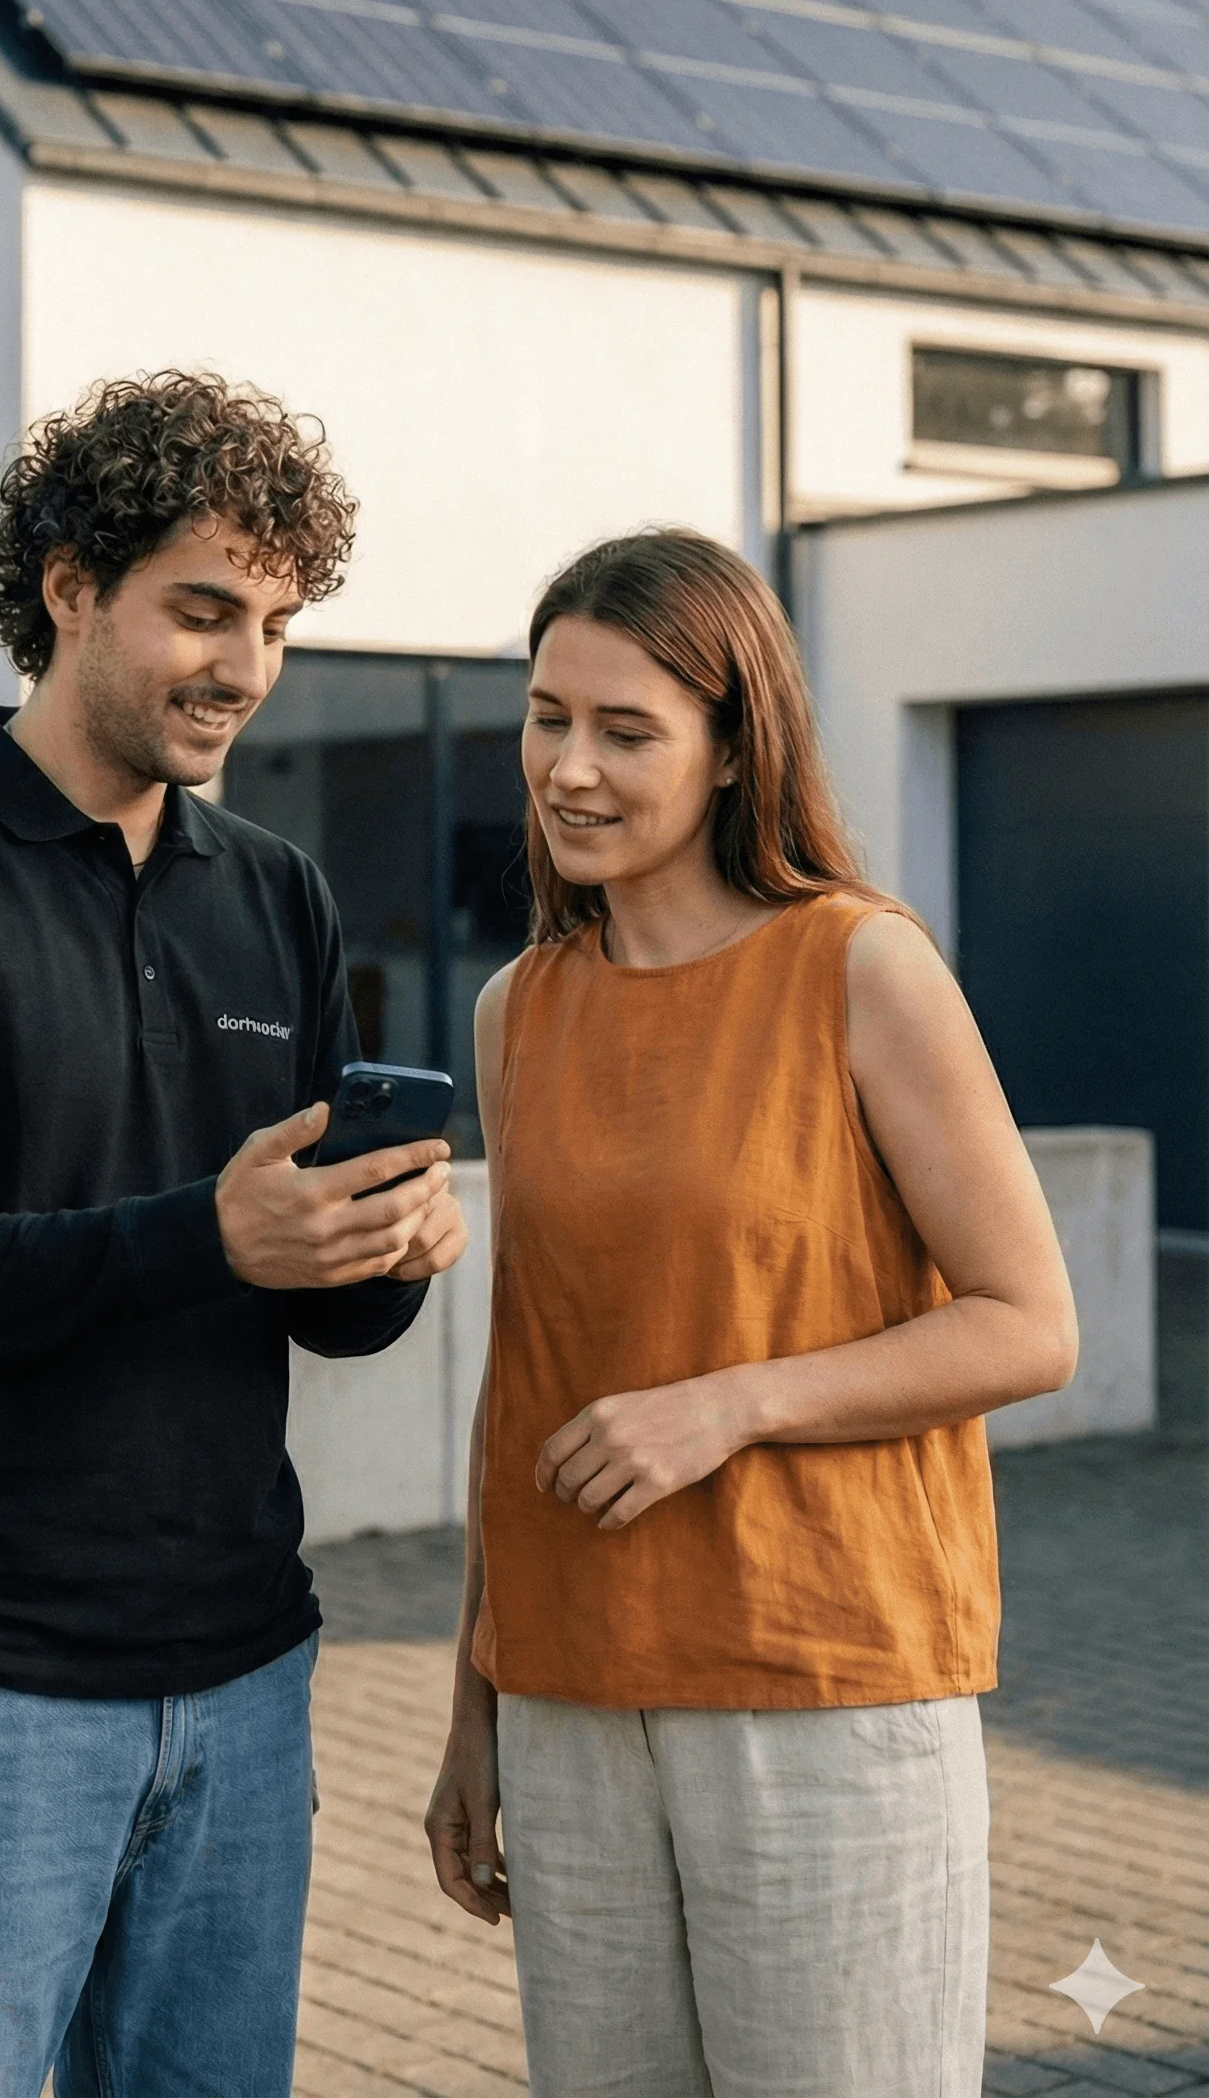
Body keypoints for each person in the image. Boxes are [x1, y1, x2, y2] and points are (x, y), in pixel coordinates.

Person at [0, 371, 467, 2098]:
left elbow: (308, 1316)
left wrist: (381, 1250)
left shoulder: (274, 890)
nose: (246, 666)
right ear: (70, 586)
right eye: (202, 609)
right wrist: (208, 1240)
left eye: (279, 624)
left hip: (242, 1682)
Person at [425, 528, 1077, 2098]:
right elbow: (528, 1377)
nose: (568, 769)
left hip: (826, 1692)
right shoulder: (520, 1009)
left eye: (626, 731)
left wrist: (730, 1402)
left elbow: (1029, 1323)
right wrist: (475, 1705)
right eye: (546, 718)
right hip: (574, 1701)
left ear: (731, 752)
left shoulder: (860, 967)